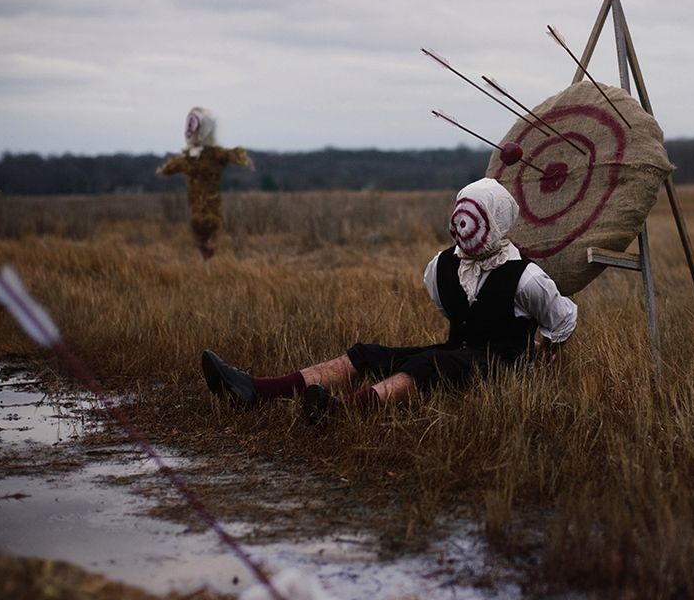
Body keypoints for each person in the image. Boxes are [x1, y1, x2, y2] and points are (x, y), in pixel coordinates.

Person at [201, 178, 577, 422]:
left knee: (431, 362)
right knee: (368, 354)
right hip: (456, 354)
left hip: (500, 368)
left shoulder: (526, 277)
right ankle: (256, 390)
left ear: (497, 221)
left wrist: (545, 354)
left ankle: (343, 412)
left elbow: (562, 319)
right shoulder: (441, 266)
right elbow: (452, 312)